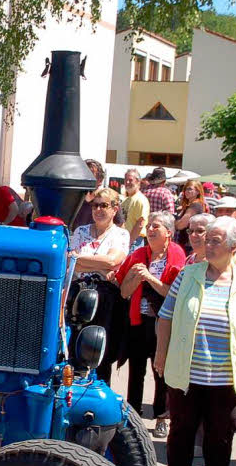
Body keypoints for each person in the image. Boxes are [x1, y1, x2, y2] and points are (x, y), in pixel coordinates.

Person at [154, 216, 236, 466]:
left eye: (216, 240)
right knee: (181, 431)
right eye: (207, 238)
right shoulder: (189, 274)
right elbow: (165, 316)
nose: (207, 244)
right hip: (188, 371)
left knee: (220, 435)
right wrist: (161, 353)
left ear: (234, 246)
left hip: (226, 376)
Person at [117, 211, 186, 437]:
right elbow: (124, 292)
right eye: (150, 226)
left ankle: (162, 417)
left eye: (157, 226)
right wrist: (134, 278)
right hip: (138, 321)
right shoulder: (138, 254)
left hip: (162, 323)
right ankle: (132, 416)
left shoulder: (176, 254)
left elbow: (172, 293)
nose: (151, 229)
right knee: (136, 371)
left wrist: (148, 277)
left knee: (161, 371)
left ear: (169, 233)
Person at [68, 187, 130, 381]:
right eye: (95, 205)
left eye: (104, 205)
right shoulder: (81, 231)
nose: (98, 210)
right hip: (78, 292)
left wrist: (82, 260)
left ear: (115, 209)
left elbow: (113, 261)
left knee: (100, 349)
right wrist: (100, 265)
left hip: (105, 296)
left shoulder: (120, 234)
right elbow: (70, 259)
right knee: (74, 347)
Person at [174, 180, 207, 251]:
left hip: (188, 242)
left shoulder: (195, 205)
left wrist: (171, 224)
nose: (186, 191)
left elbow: (181, 225)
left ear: (198, 191)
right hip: (185, 240)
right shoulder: (189, 205)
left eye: (190, 189)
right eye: (185, 189)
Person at [121, 168, 149, 251]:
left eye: (130, 180)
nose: (127, 183)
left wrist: (129, 242)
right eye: (126, 180)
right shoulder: (127, 200)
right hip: (125, 240)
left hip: (134, 242)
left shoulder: (140, 199)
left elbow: (140, 223)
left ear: (138, 181)